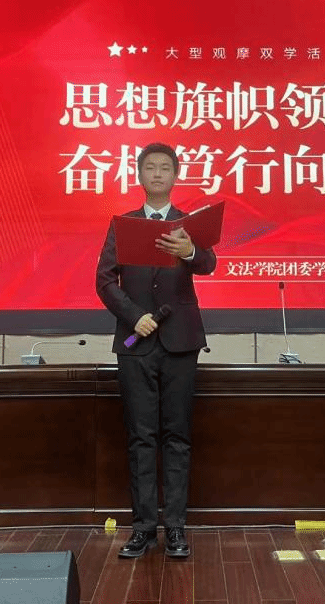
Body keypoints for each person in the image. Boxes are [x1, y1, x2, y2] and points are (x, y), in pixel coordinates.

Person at [96, 142, 217, 559]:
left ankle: (176, 528)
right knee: (140, 436)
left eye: (166, 167)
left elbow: (208, 264)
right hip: (137, 343)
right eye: (151, 167)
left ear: (176, 176)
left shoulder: (188, 225)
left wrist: (191, 251)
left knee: (178, 435)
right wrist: (134, 316)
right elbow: (104, 280)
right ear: (139, 175)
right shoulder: (123, 225)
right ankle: (144, 527)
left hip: (181, 341)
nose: (159, 173)